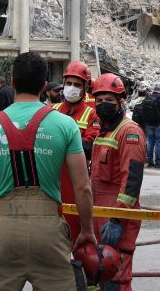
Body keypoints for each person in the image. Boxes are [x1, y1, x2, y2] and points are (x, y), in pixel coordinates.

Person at [0, 52, 96, 290]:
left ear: (12, 83)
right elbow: (83, 187)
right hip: (50, 234)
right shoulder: (66, 125)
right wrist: (87, 230)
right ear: (45, 87)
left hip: (3, 231)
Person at [90, 74, 145, 291]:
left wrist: (117, 218)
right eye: (99, 100)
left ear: (121, 101)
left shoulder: (129, 132)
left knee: (117, 280)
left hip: (118, 219)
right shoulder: (105, 131)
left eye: (109, 101)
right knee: (101, 276)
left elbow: (131, 181)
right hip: (100, 215)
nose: (104, 105)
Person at [50, 60, 101, 240]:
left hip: (74, 181)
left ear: (85, 87)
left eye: (77, 85)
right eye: (69, 83)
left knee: (74, 232)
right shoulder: (51, 109)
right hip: (50, 180)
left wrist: (56, 141)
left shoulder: (91, 114)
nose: (72, 88)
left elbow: (89, 148)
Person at [141, 84, 160, 168]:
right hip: (159, 124)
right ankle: (158, 162)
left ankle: (150, 162)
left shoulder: (147, 98)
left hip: (148, 124)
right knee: (158, 143)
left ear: (154, 89)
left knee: (150, 142)